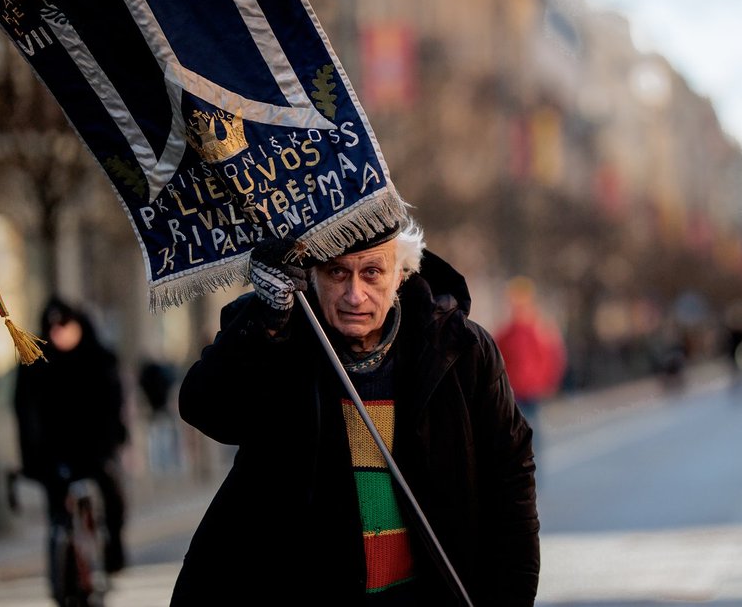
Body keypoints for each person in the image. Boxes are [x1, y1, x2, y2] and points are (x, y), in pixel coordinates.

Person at [170, 216, 540, 605]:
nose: (354, 295)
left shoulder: (462, 350)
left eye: (372, 273)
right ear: (311, 275)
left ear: (401, 274)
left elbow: (511, 477)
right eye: (337, 272)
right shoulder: (275, 330)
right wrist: (267, 323)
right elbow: (207, 410)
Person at [13, 297, 130, 579]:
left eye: (65, 325)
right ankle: (64, 571)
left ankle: (113, 549)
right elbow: (25, 410)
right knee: (58, 511)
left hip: (95, 447)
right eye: (51, 327)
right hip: (53, 450)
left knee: (111, 495)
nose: (59, 333)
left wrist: (112, 443)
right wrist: (31, 455)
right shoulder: (35, 361)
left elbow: (113, 404)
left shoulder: (98, 357)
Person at [494, 276, 567, 443]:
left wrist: (549, 382)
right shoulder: (506, 333)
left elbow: (552, 357)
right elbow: (495, 360)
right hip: (512, 390)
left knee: (531, 429)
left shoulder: (540, 329)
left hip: (532, 390)